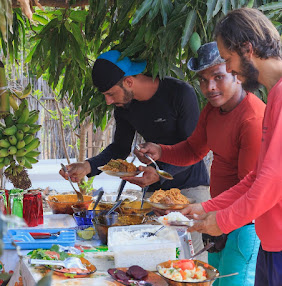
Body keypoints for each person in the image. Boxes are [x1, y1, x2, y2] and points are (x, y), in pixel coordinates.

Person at [129, 41, 265, 286]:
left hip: (245, 224)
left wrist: (206, 210)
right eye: (203, 80)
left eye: (218, 77)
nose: (210, 87)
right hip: (219, 219)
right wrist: (162, 150)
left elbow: (251, 189)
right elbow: (193, 150)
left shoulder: (251, 117)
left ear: (236, 73)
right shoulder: (212, 111)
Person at [59, 49, 210, 260]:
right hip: (154, 196)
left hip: (190, 189)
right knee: (153, 260)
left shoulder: (179, 93)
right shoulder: (125, 107)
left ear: (129, 82)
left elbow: (193, 149)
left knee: (189, 263)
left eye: (111, 94)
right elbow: (120, 147)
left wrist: (161, 173)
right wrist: (88, 166)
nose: (108, 102)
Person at [182, 8, 282, 286]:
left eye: (227, 59)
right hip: (271, 241)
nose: (227, 68)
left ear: (247, 50)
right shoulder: (274, 95)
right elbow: (256, 177)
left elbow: (269, 185)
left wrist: (221, 221)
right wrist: (207, 208)